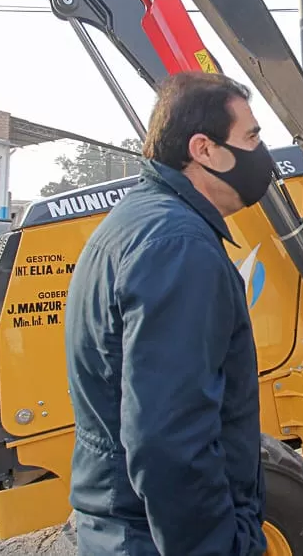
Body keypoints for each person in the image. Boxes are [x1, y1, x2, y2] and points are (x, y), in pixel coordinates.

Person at [65, 71, 276, 556]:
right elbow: (169, 440)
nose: (262, 153)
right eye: (251, 137)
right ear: (204, 150)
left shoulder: (140, 221)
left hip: (129, 525)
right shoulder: (178, 246)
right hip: (154, 537)